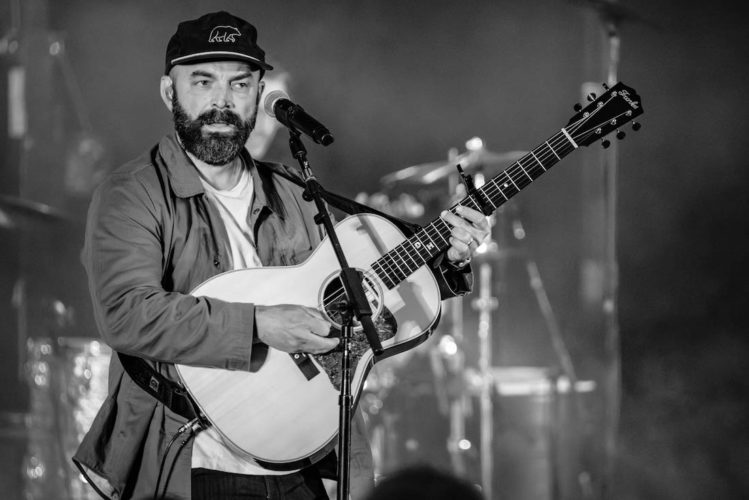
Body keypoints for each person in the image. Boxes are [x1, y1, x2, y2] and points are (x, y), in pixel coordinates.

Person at [72, 10, 489, 500]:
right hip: (193, 460)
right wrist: (259, 324)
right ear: (169, 92)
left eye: (240, 84)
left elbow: (358, 289)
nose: (222, 101)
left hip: (309, 460)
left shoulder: (294, 189)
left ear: (259, 95)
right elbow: (126, 314)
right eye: (203, 82)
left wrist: (447, 257)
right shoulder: (132, 194)